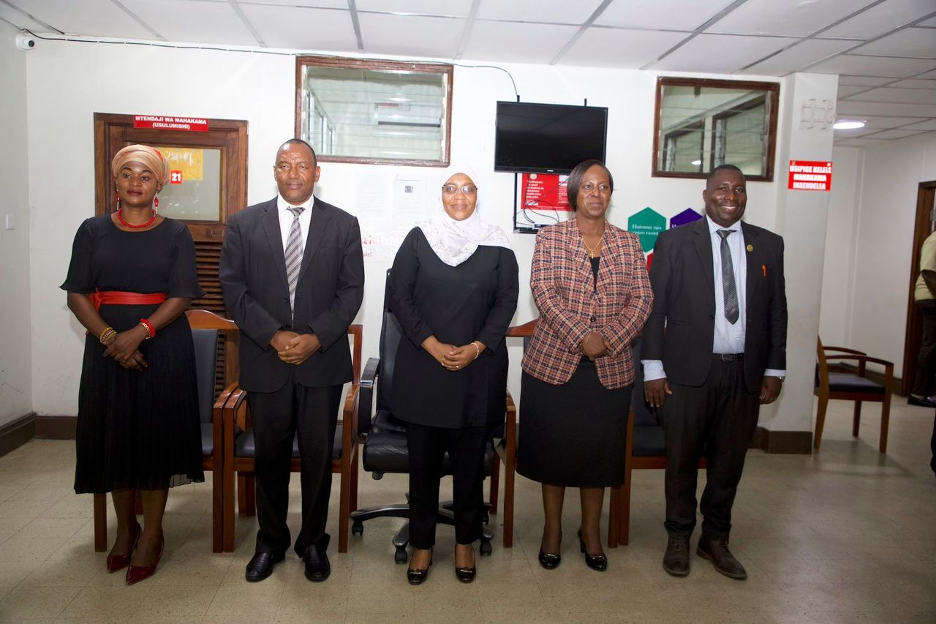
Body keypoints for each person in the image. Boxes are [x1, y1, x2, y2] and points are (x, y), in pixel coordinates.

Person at [219, 139, 364, 583]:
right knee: (271, 459)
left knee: (319, 459)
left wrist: (316, 337)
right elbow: (233, 289)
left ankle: (312, 544)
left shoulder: (343, 224)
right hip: (267, 360)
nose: (294, 173)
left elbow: (351, 292)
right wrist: (274, 334)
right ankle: (271, 542)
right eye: (285, 165)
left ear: (316, 173)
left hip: (321, 362)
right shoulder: (244, 223)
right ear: (275, 172)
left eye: (302, 165)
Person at [62, 144, 205, 585]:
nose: (135, 182)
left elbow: (181, 296)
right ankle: (126, 531)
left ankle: (153, 533)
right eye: (127, 174)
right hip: (106, 348)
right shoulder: (92, 231)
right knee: (115, 438)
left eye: (145, 175)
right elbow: (77, 294)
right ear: (116, 181)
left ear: (159, 183)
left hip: (161, 346)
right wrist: (111, 338)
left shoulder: (176, 233)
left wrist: (138, 333)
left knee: (154, 440)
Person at [643, 164, 787, 580]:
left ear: (745, 196)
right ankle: (678, 537)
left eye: (739, 190)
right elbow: (656, 310)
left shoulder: (769, 245)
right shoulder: (674, 241)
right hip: (687, 374)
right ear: (706, 195)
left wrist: (775, 367)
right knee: (682, 460)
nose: (731, 196)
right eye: (722, 189)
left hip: (744, 375)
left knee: (729, 463)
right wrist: (653, 368)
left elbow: (778, 310)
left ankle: (716, 538)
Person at [518, 160, 653, 572]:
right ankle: (553, 531)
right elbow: (542, 290)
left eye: (604, 187)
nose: (596, 194)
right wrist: (582, 335)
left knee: (600, 457)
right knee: (554, 455)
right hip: (554, 364)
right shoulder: (549, 238)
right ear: (574, 193)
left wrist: (608, 339)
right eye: (588, 187)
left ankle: (591, 531)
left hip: (610, 369)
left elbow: (642, 300)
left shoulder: (629, 243)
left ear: (611, 195)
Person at [388, 168, 519, 585]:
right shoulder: (418, 238)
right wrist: (431, 344)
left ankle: (465, 541)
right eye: (450, 188)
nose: (459, 195)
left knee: (469, 467)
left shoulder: (498, 243)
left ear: (477, 196)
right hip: (424, 370)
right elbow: (400, 298)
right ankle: (422, 545)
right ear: (440, 195)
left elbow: (506, 303)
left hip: (476, 374)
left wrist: (478, 347)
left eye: (467, 189)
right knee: (422, 468)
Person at [909, 230, 936, 408]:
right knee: (931, 345)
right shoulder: (934, 240)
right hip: (931, 298)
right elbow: (928, 272)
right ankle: (918, 393)